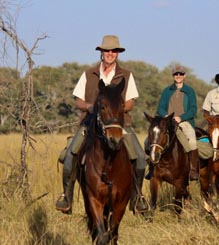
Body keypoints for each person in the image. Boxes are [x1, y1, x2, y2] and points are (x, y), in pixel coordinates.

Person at [55, 35, 148, 214]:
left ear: (118, 53)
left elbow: (130, 103)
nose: (110, 53)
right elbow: (78, 101)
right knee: (69, 156)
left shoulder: (126, 75)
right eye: (107, 50)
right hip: (89, 124)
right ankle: (66, 196)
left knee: (141, 159)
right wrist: (90, 106)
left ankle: (138, 198)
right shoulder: (88, 73)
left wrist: (118, 108)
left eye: (114, 51)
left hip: (118, 125)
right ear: (101, 52)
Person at [144, 65, 199, 181]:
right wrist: (166, 117)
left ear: (185, 75)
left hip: (184, 121)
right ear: (173, 76)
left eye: (181, 74)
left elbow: (193, 109)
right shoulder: (167, 91)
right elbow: (160, 108)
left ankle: (193, 169)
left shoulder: (190, 91)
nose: (178, 76)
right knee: (147, 141)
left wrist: (181, 117)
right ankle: (151, 167)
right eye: (176, 74)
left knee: (192, 141)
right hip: (167, 122)